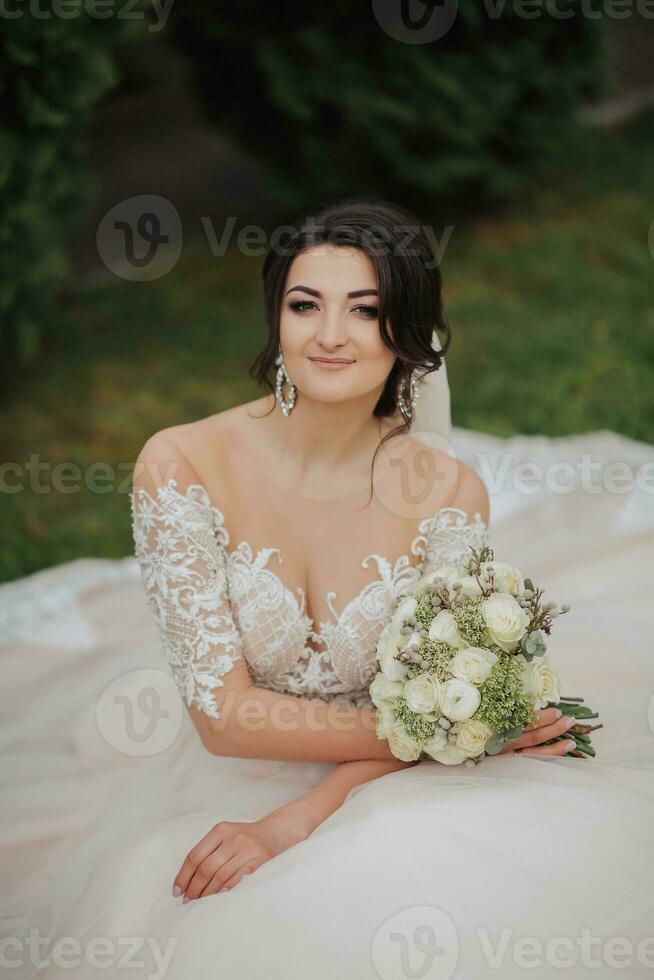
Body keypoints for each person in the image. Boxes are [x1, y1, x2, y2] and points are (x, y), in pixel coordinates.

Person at [2, 199, 653, 980]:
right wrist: (460, 732)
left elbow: (432, 689)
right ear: (276, 318)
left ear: (408, 332)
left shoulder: (447, 493)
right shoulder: (181, 465)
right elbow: (226, 719)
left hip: (389, 781)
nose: (330, 335)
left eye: (365, 310)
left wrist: (300, 820)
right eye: (305, 305)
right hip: (238, 776)